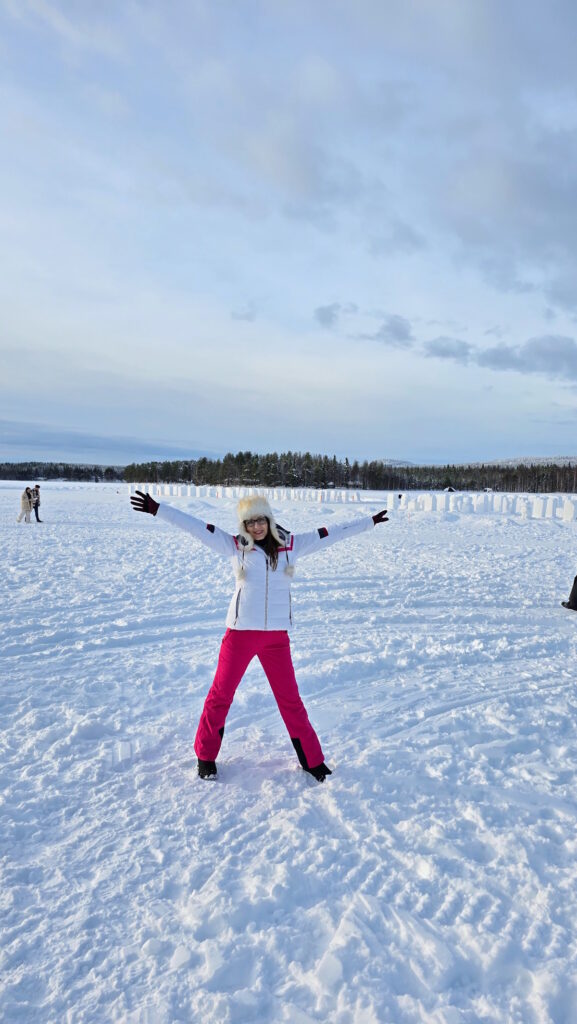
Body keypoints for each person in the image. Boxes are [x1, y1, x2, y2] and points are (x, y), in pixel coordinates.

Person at [130, 490, 389, 781]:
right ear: (244, 525)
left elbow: (329, 533)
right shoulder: (235, 547)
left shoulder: (291, 544)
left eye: (260, 520)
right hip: (240, 635)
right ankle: (205, 756)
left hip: (276, 640)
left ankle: (312, 761)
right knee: (220, 695)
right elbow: (196, 526)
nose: (257, 527)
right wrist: (158, 509)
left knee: (291, 701)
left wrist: (368, 522)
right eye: (250, 522)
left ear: (268, 519)